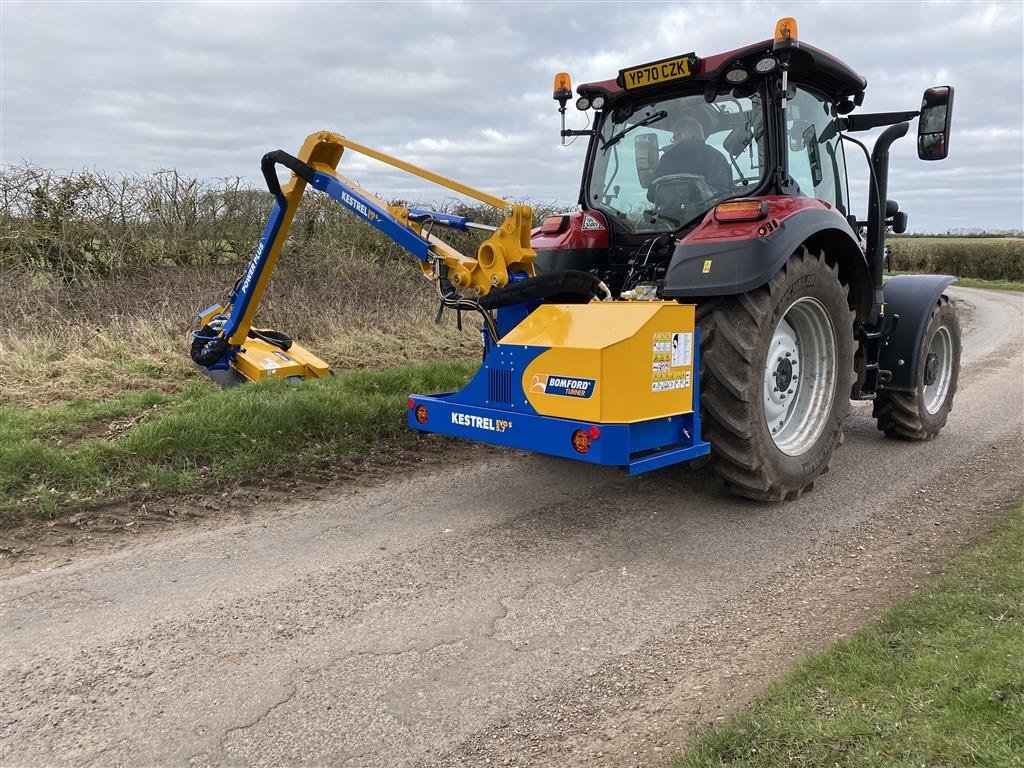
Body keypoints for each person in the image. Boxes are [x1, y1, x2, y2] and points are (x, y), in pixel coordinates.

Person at [649, 115, 732, 196]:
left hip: (673, 209)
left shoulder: (667, 158)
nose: (673, 142)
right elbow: (726, 191)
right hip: (712, 208)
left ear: (680, 135)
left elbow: (651, 195)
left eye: (673, 138)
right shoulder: (717, 157)